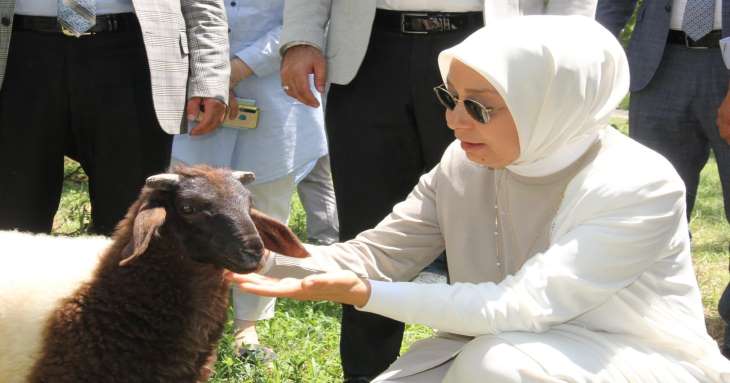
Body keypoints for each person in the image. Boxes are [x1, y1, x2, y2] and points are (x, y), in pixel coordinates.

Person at [228, 16, 730, 382]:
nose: (453, 121)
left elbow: (522, 305)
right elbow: (375, 256)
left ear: (551, 101)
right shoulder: (463, 163)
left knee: (495, 367)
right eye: (449, 98)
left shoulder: (638, 183)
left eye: (478, 107)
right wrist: (239, 255)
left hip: (629, 360)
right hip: (496, 349)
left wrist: (364, 294)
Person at [279, 1, 598, 380]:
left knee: (490, 225)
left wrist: (563, 49)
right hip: (369, 51)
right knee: (368, 223)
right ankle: (365, 373)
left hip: (493, 46)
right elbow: (374, 249)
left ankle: (497, 364)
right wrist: (301, 38)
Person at [170, 0, 328, 363]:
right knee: (184, 210)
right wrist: (210, 74)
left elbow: (303, 20)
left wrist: (235, 71)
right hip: (191, 87)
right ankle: (186, 315)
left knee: (264, 213)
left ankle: (247, 324)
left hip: (276, 92)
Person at [0, 0, 229, 236]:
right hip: (16, 54)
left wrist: (210, 74)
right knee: (11, 224)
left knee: (128, 229)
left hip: (134, 58)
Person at [596, 0, 730, 358]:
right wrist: (597, 57)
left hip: (725, 65)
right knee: (649, 207)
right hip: (658, 67)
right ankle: (654, 321)